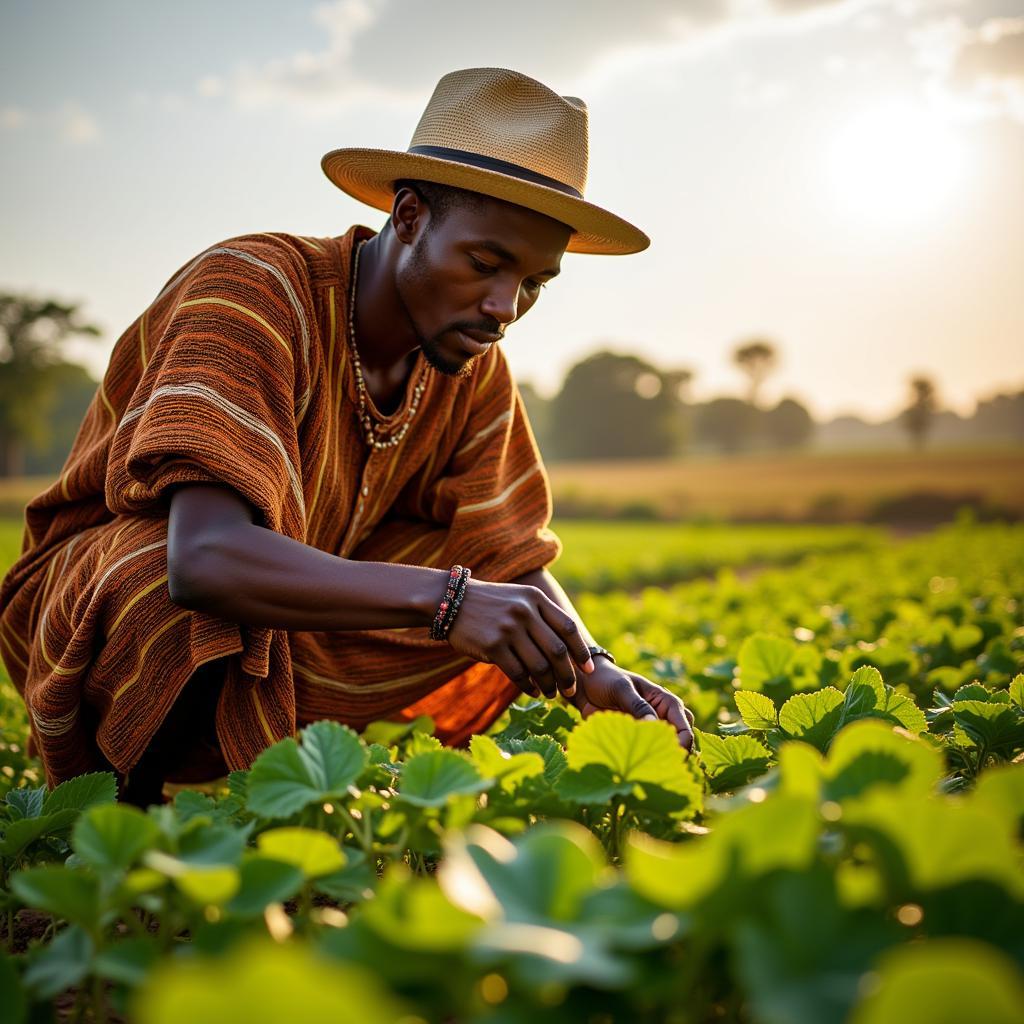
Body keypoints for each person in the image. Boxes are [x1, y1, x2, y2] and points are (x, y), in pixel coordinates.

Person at [0, 67, 694, 806]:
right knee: (167, 578)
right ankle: (117, 825)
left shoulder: (471, 364)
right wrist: (451, 603)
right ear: (408, 216)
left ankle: (286, 791)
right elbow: (201, 561)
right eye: (486, 264)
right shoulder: (255, 290)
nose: (505, 307)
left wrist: (592, 665)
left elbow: (510, 553)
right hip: (95, 609)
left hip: (279, 609)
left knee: (496, 590)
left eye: (533, 283)